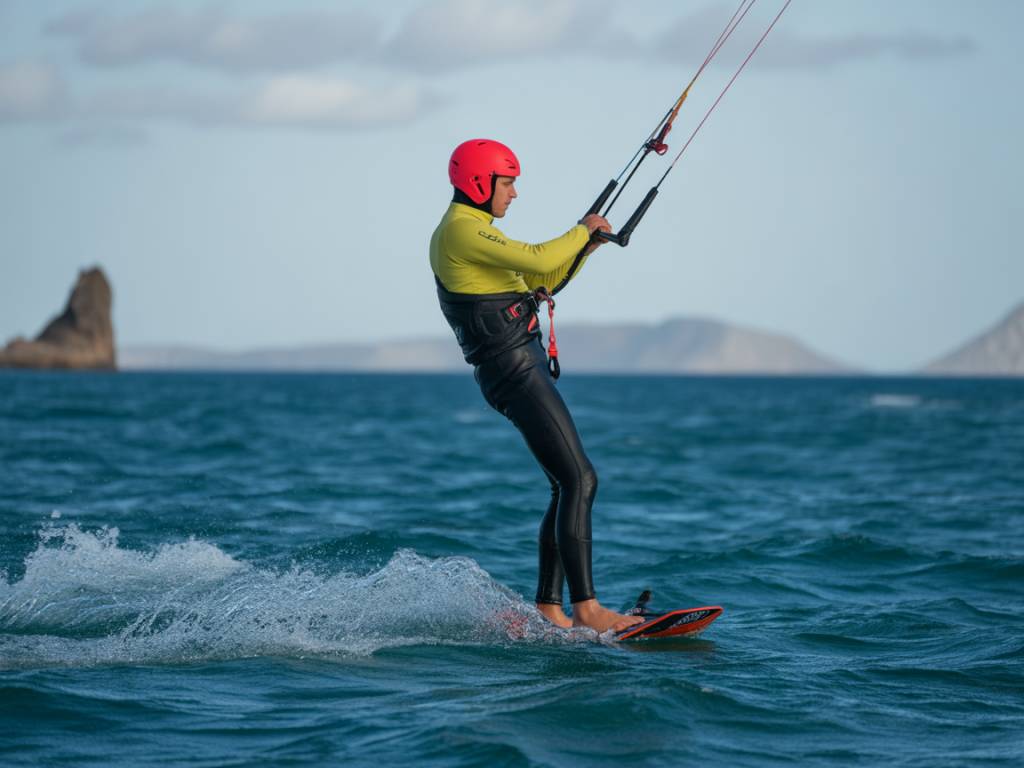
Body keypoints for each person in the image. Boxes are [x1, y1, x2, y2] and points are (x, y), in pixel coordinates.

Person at [429, 138, 643, 634]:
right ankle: (587, 610)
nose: (514, 194)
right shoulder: (461, 230)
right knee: (581, 479)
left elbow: (545, 274)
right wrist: (581, 229)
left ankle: (549, 608)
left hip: (518, 365)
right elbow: (537, 255)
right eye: (508, 183)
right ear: (480, 184)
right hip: (513, 369)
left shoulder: (475, 231)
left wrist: (585, 248)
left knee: (563, 482)